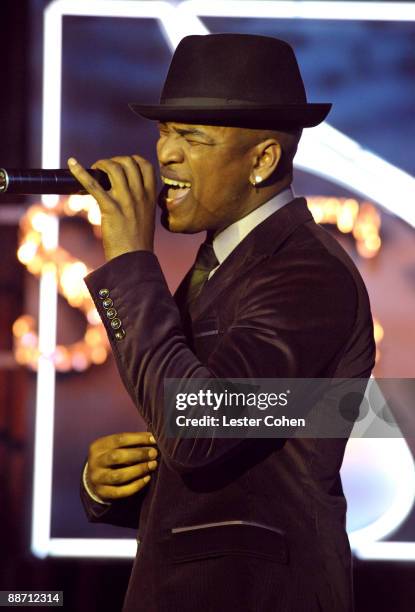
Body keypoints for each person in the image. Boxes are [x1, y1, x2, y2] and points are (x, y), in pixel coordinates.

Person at [70, 34, 376, 612]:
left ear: (262, 159)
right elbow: (244, 473)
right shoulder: (221, 265)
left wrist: (130, 263)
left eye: (192, 138)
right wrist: (110, 487)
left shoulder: (307, 273)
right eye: (164, 133)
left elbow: (198, 428)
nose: (166, 155)